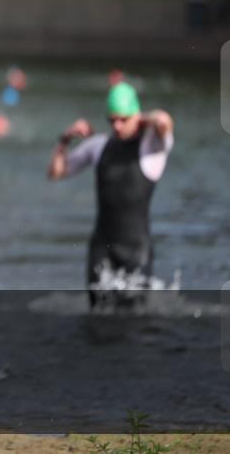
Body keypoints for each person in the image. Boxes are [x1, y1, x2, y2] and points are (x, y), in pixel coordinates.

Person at [47, 82, 174, 309]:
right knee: (97, 322)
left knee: (135, 324)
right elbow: (56, 173)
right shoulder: (98, 146)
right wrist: (65, 139)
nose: (116, 125)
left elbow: (163, 121)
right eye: (112, 119)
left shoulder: (152, 147)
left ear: (137, 116)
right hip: (101, 250)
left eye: (123, 119)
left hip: (136, 252)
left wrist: (141, 120)